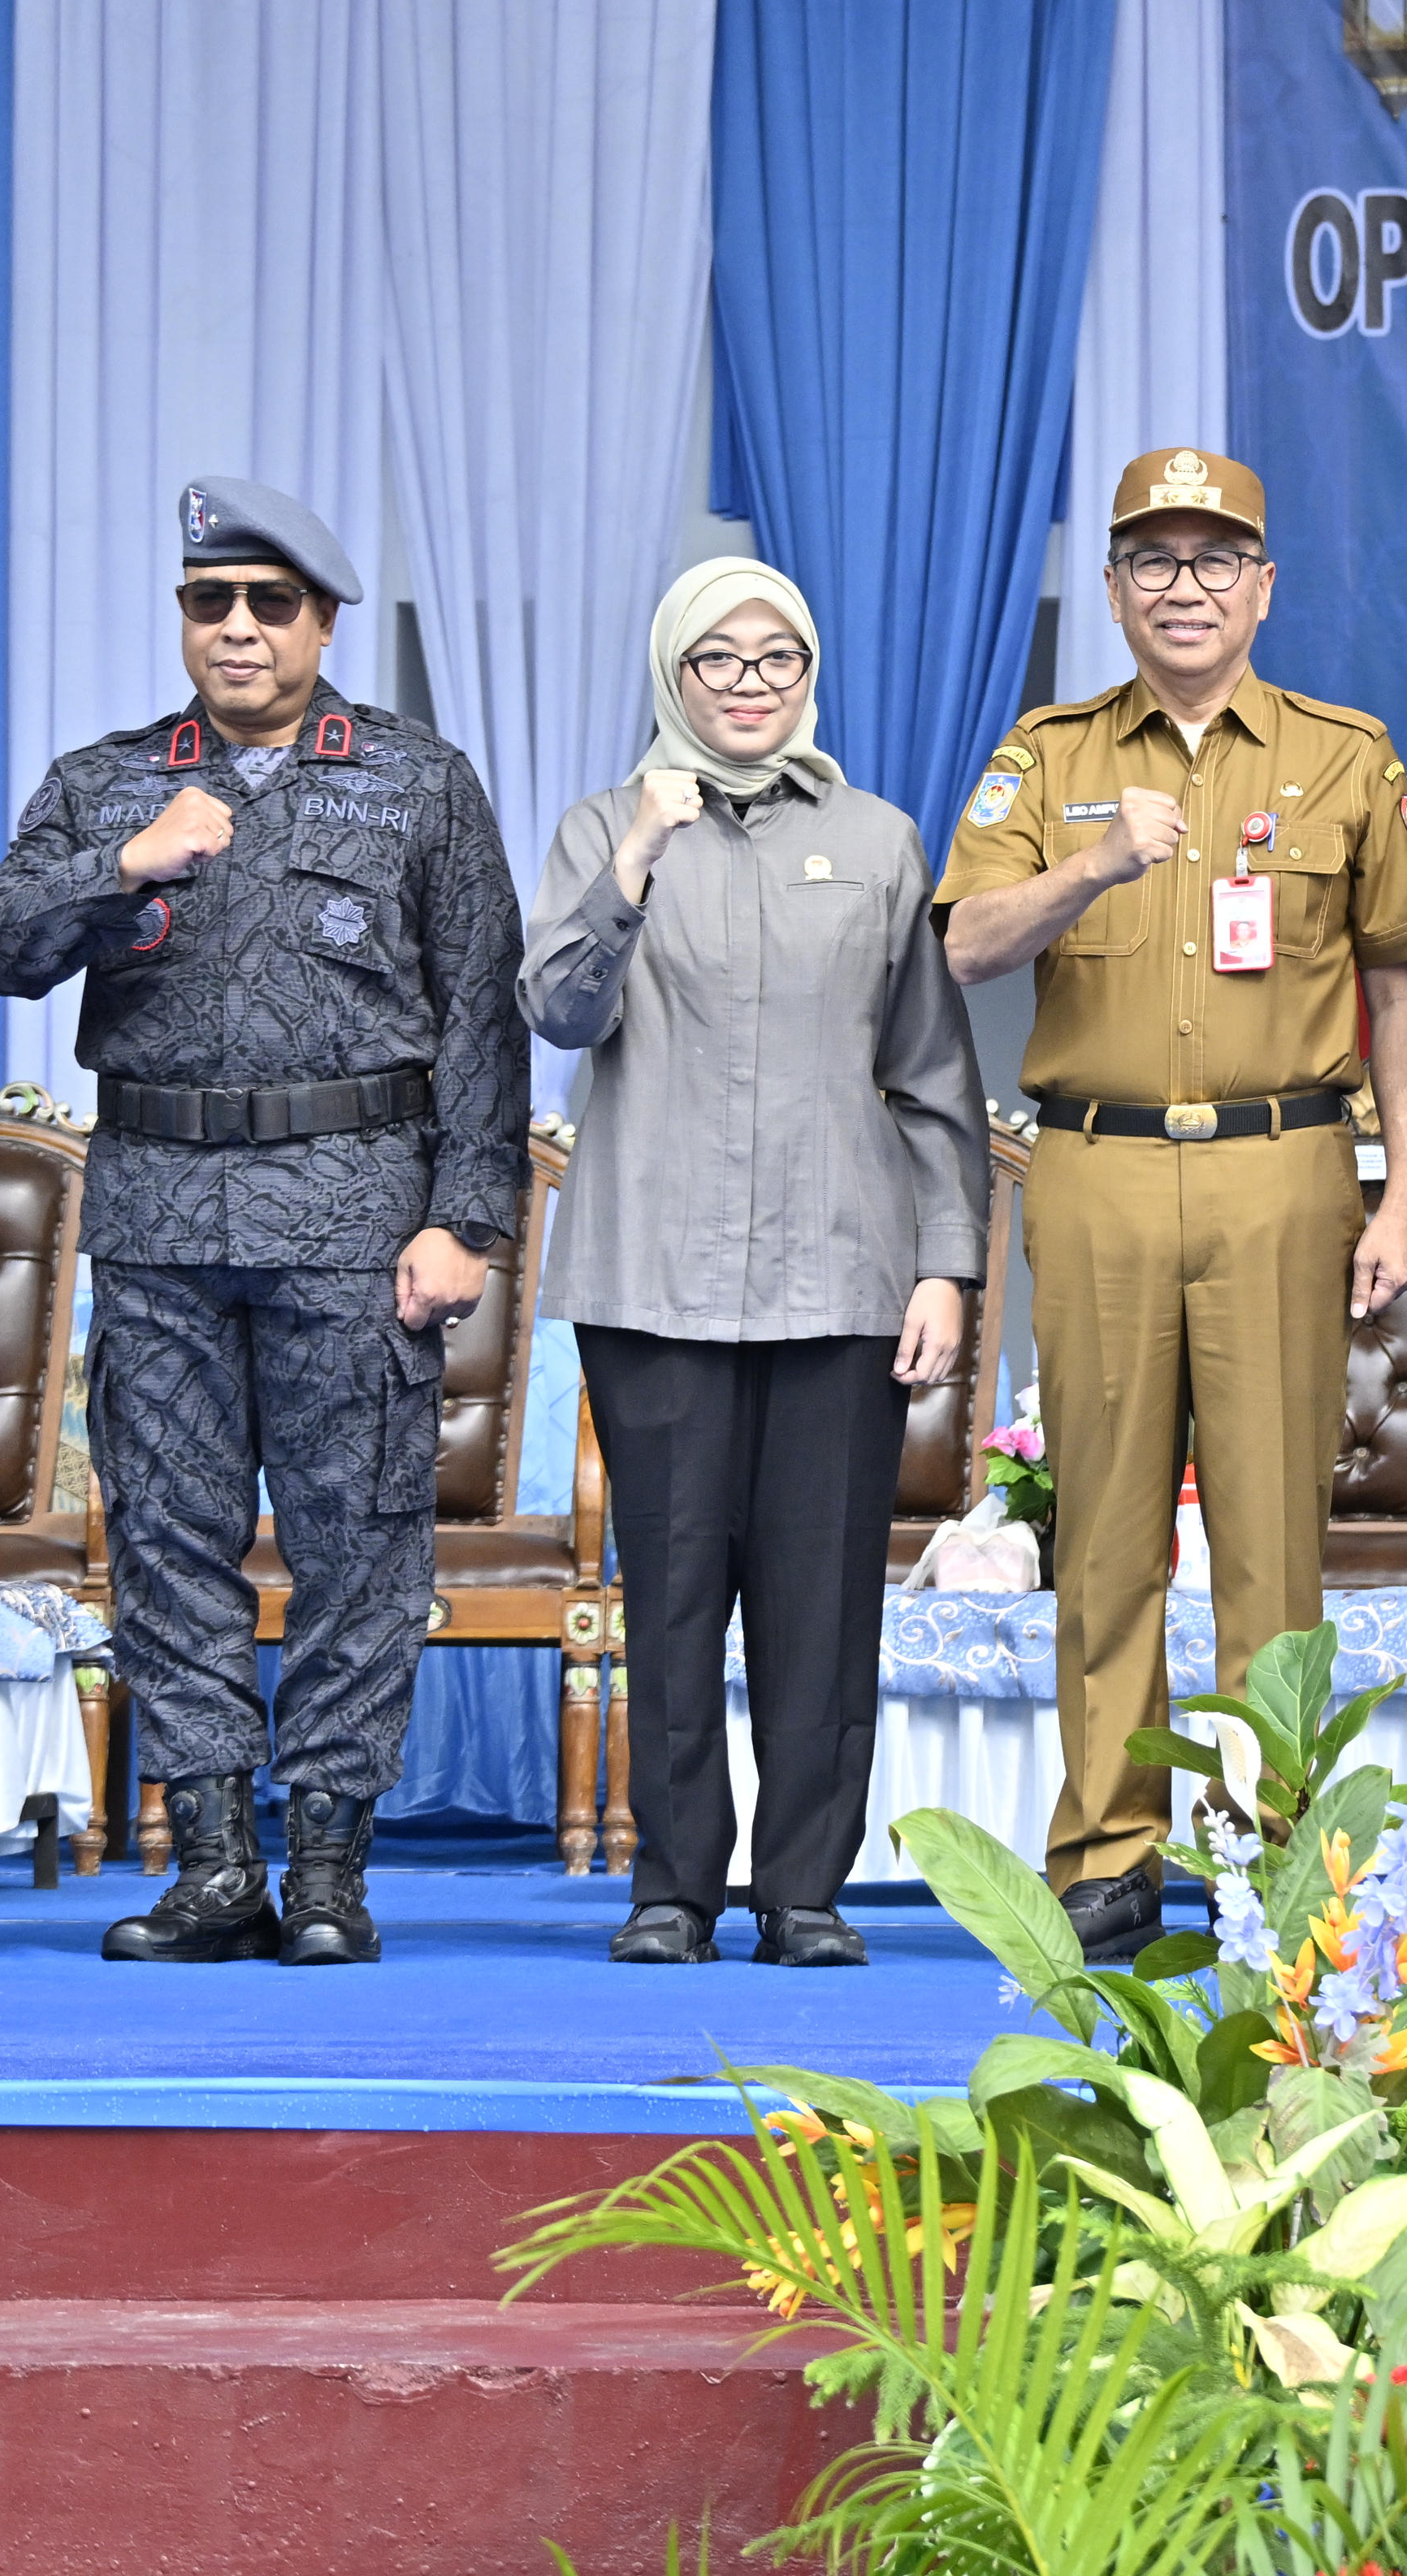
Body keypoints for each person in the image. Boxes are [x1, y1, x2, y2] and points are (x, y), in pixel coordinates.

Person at [0, 478, 524, 1968]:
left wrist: (466, 1214)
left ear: (322, 622)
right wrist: (121, 866)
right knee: (167, 1535)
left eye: (270, 603)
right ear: (182, 619)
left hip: (355, 1213)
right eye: (211, 602)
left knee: (359, 1541)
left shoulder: (418, 779)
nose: (239, 628)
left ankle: (330, 1861)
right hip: (157, 1215)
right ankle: (213, 1854)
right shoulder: (109, 780)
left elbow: (481, 1012)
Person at [937, 447, 1407, 1965]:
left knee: (1275, 1531)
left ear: (1263, 585)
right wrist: (1095, 860)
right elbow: (963, 943)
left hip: (1283, 1165)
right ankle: (1104, 1847)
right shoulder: (1050, 749)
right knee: (1101, 1525)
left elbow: (1399, 980)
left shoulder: (1346, 753)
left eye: (1216, 558)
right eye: (1152, 558)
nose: (1184, 585)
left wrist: (1400, 1189)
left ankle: (1278, 1851)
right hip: (1093, 1159)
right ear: (1111, 588)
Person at [524, 557, 982, 1969]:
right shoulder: (605, 822)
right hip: (651, 1273)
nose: (746, 682)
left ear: (808, 672)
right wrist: (634, 863)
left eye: (774, 657)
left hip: (840, 1272)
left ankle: (804, 1890)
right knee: (666, 1590)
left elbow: (930, 1075)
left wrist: (945, 1263)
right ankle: (673, 1886)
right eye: (716, 659)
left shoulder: (879, 836)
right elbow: (553, 1004)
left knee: (821, 1591)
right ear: (673, 672)